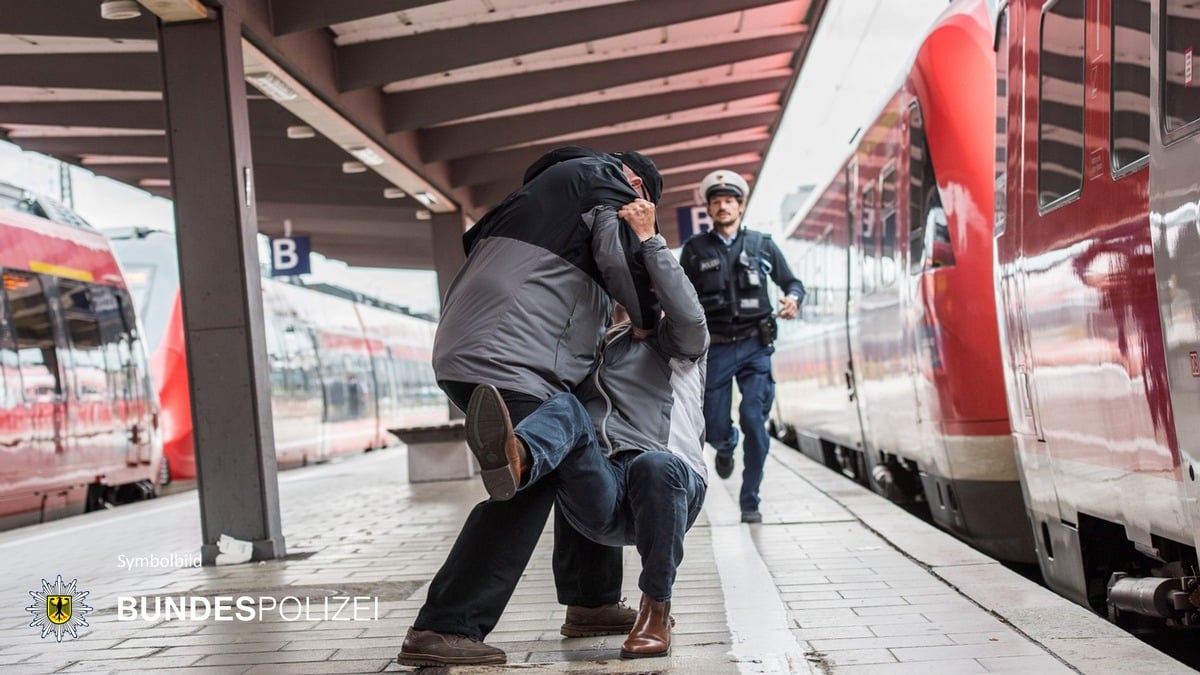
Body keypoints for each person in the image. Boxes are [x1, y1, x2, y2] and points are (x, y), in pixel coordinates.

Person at [398, 146, 664, 667]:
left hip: (467, 349)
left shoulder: (533, 199)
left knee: (576, 447)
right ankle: (444, 626)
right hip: (513, 358)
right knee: (526, 477)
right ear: (640, 183)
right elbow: (621, 260)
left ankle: (592, 601)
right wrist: (649, 316)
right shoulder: (609, 182)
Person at [462, 207, 707, 658]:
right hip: (603, 496)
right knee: (565, 407)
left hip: (669, 484)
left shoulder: (677, 344)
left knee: (655, 464)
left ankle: (655, 609)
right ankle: (518, 458)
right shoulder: (584, 356)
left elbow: (691, 317)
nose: (618, 299)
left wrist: (649, 239)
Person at [679, 169, 805, 524]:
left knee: (754, 417)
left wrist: (793, 299)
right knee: (715, 427)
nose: (723, 207)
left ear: (740, 206)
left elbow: (792, 282)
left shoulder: (763, 245)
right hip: (715, 350)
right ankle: (725, 445)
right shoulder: (694, 250)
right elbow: (678, 292)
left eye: (729, 202)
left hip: (755, 346)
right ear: (709, 209)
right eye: (716, 202)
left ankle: (750, 499)